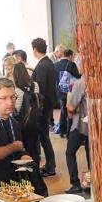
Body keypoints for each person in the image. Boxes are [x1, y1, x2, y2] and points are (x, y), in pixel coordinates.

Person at [31, 37, 57, 177]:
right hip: (48, 104)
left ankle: (50, 166)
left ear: (35, 49)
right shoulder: (49, 63)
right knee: (44, 136)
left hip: (43, 107)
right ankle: (50, 165)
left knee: (44, 137)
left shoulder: (42, 66)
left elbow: (40, 89)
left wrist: (38, 109)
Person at [65, 74, 90, 195]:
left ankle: (75, 183)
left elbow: (71, 107)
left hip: (81, 124)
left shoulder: (81, 83)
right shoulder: (100, 80)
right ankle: (91, 183)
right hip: (97, 125)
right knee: (91, 154)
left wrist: (70, 110)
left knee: (70, 152)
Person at [13, 61, 41, 162]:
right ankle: (36, 167)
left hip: (23, 125)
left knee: (25, 149)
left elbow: (16, 110)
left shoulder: (17, 91)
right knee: (34, 146)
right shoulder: (35, 85)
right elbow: (37, 101)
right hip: (35, 121)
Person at [55, 49, 80, 138]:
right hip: (70, 91)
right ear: (70, 56)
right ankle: (69, 131)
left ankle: (62, 131)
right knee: (70, 111)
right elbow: (77, 76)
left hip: (60, 91)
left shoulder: (56, 64)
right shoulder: (71, 64)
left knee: (63, 111)